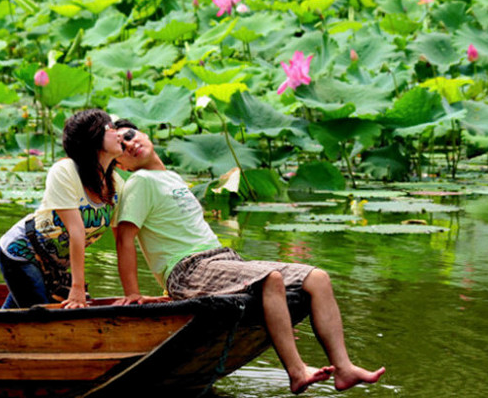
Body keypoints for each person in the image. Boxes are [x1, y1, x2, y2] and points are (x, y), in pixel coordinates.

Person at [111, 119, 385, 394]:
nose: (130, 144)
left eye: (131, 135)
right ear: (120, 165)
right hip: (188, 269)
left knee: (317, 278)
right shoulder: (139, 182)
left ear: (145, 133)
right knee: (270, 279)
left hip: (220, 258)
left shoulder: (170, 177)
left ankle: (344, 368)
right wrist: (132, 293)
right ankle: (296, 371)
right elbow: (124, 238)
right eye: (120, 146)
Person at [0, 109, 126, 310]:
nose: (119, 134)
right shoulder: (65, 171)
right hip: (23, 251)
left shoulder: (116, 186)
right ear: (92, 136)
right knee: (41, 318)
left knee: (14, 317)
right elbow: (76, 231)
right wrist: (77, 288)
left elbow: (123, 239)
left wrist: (131, 293)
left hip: (55, 267)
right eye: (110, 127)